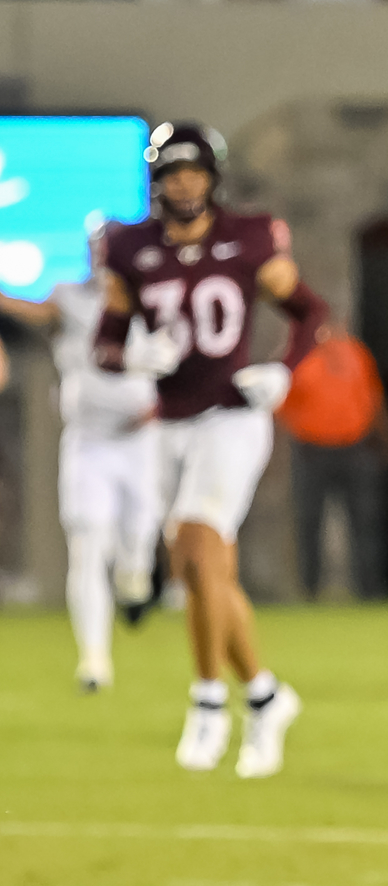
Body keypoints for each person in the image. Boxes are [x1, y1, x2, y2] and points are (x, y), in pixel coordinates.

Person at [94, 122, 324, 777]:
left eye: (194, 173)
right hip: (169, 423)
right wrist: (131, 355)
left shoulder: (249, 238)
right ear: (157, 181)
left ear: (213, 178)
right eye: (173, 174)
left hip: (230, 417)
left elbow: (310, 312)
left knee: (197, 545)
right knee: (202, 571)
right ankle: (265, 693)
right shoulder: (130, 247)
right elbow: (104, 344)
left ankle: (208, 699)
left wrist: (284, 369)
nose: (185, 184)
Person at [0, 233, 162, 692]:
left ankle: (135, 579)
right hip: (89, 438)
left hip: (139, 436)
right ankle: (94, 660)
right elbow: (31, 309)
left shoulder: (152, 297)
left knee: (138, 535)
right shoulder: (69, 299)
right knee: (88, 543)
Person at [287, 334, 387, 601]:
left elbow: (372, 397)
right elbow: (285, 401)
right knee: (309, 521)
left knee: (364, 521)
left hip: (354, 448)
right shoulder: (299, 356)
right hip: (312, 450)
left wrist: (380, 437)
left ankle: (370, 590)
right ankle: (309, 591)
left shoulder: (356, 353)